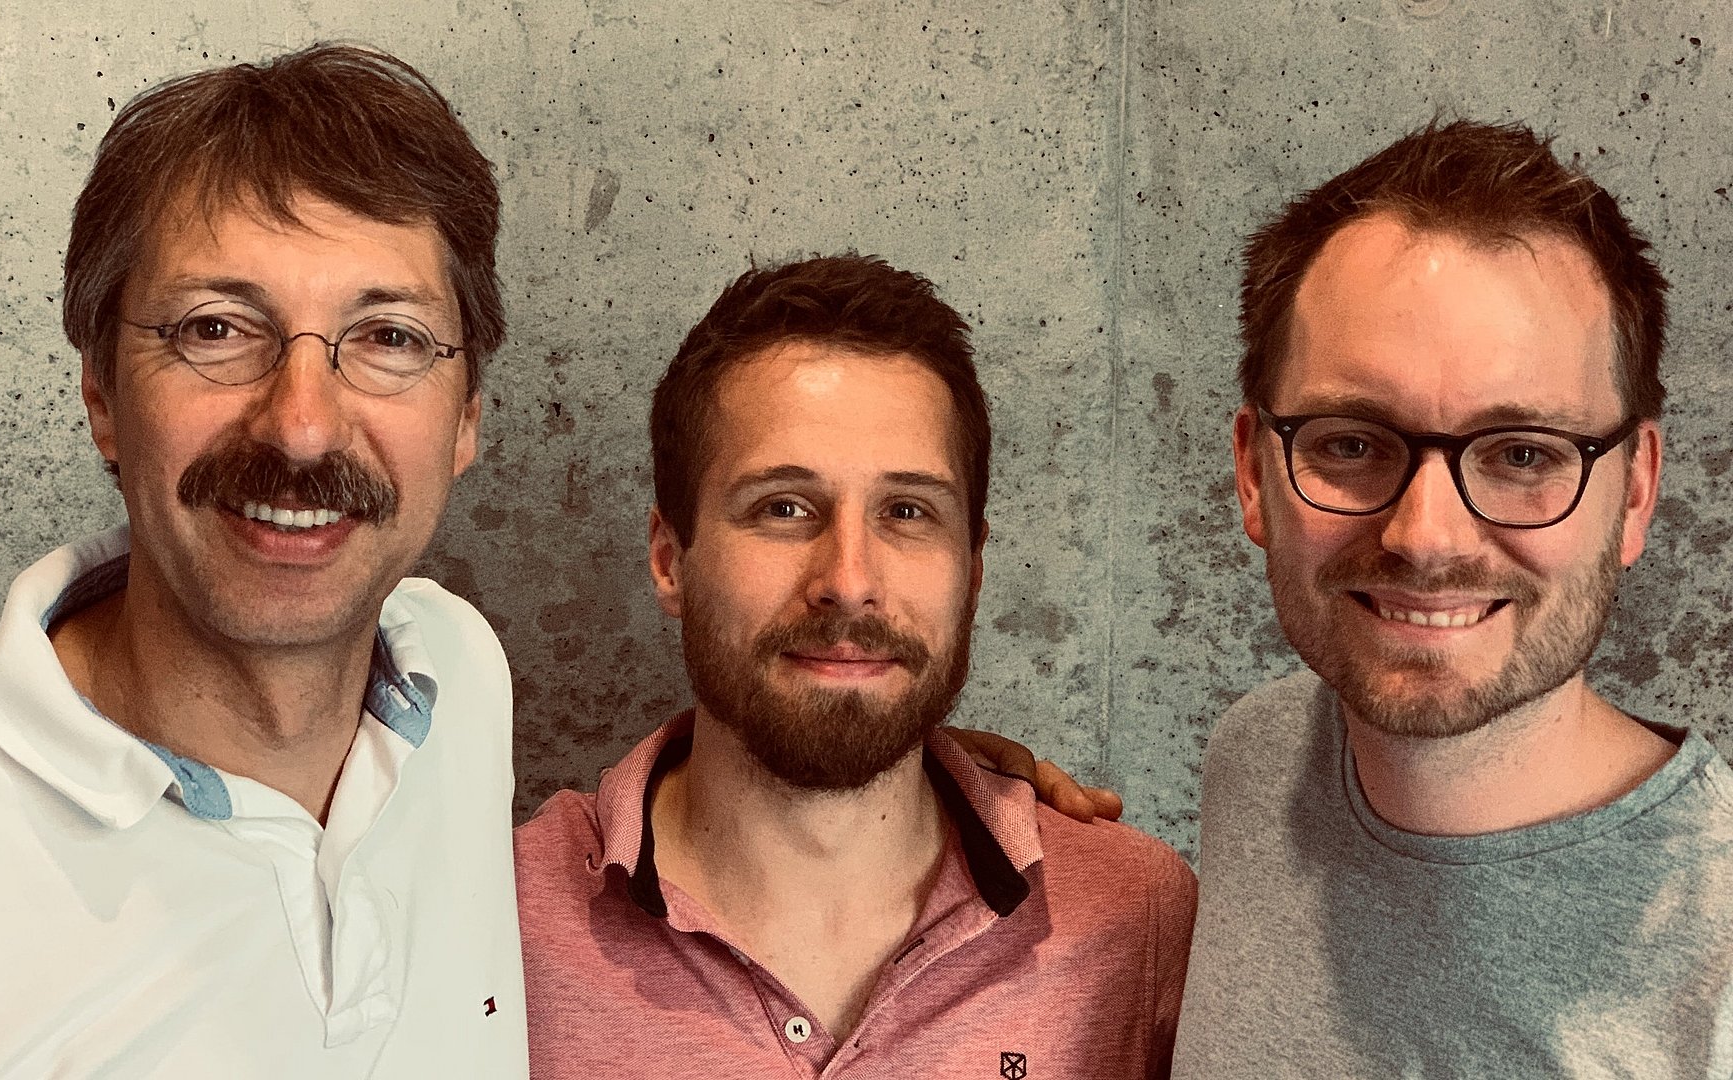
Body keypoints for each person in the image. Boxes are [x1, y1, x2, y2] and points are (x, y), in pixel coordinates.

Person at [0, 45, 527, 1077]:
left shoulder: (457, 674)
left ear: (464, 417)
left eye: (388, 336)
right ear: (102, 392)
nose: (303, 427)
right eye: (217, 328)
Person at [514, 255, 1197, 1079]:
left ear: (972, 572)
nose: (848, 582)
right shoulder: (499, 923)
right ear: (670, 560)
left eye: (907, 512)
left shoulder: (1138, 918)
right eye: (784, 508)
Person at [1171, 120, 1733, 1076]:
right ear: (1253, 473)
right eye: (1350, 442)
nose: (1426, 536)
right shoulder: (1260, 756)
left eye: (1524, 454)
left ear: (1635, 489)